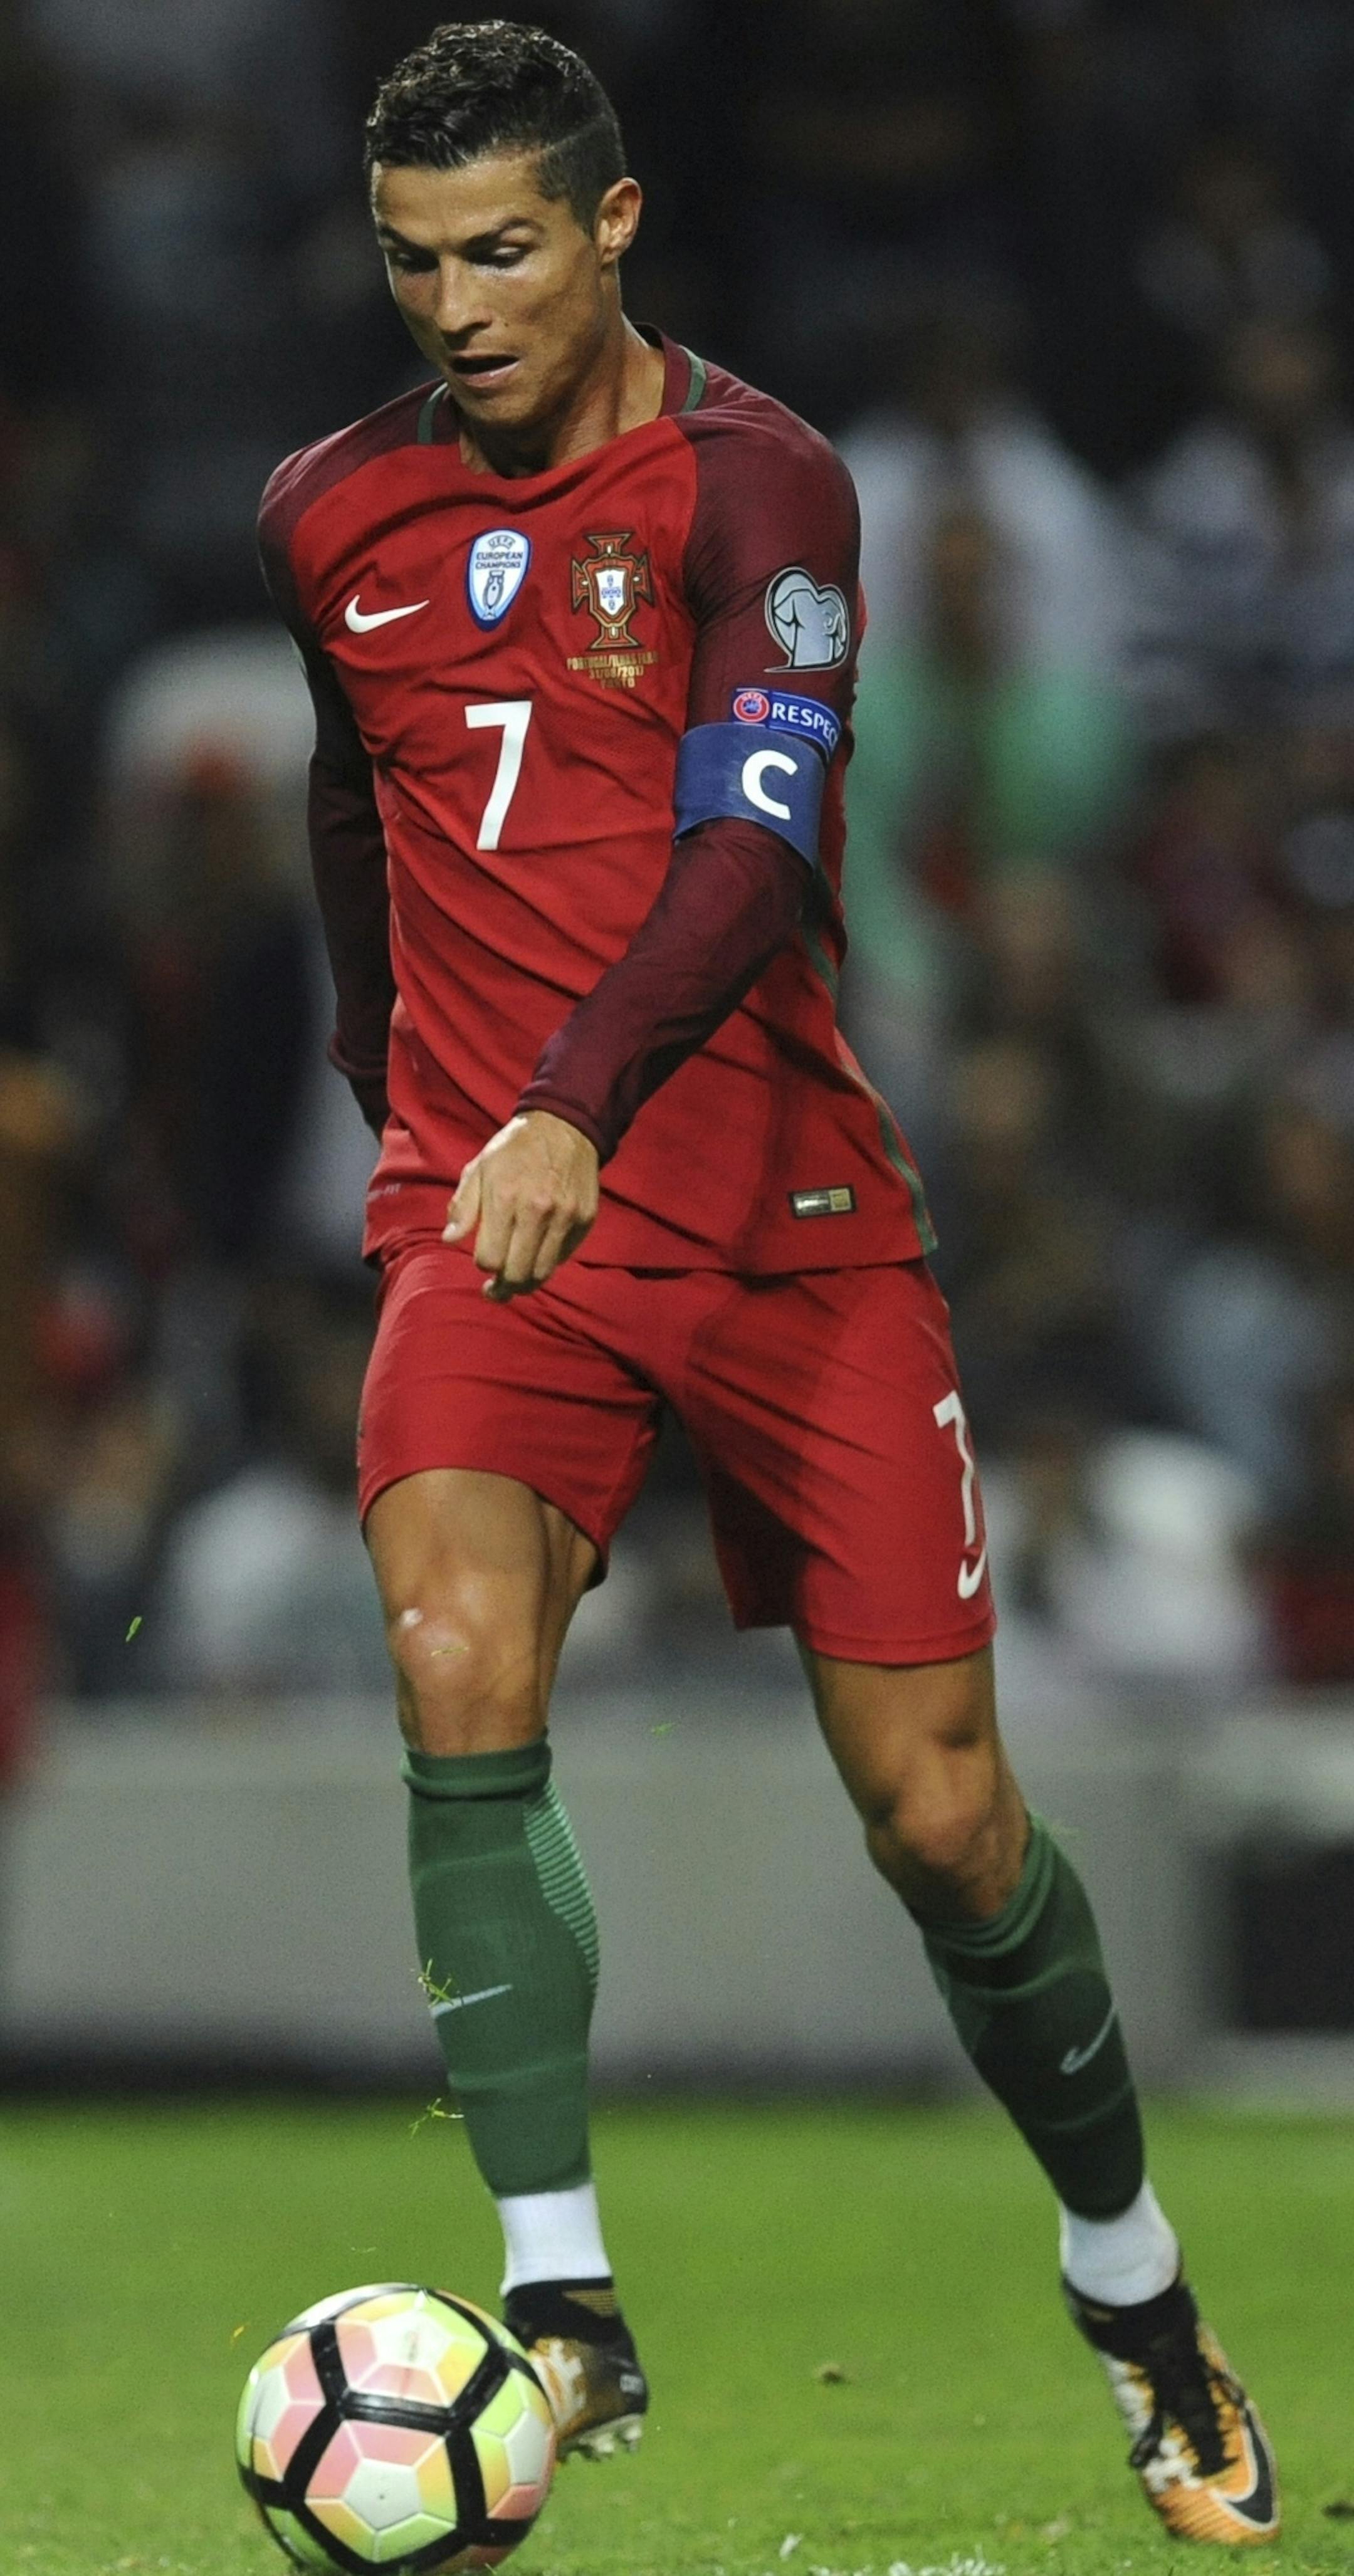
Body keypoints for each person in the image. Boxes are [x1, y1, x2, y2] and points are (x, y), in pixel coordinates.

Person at [258, 19, 1277, 2544]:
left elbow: (749, 844)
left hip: (779, 1207)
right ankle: (564, 2293)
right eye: (413, 259)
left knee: (942, 1821)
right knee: (456, 1649)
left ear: (611, 227)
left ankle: (1137, 2286)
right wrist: (397, 1087)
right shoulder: (328, 511)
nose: (457, 305)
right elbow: (346, 809)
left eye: (502, 248)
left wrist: (562, 1103)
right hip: (494, 1206)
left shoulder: (759, 476)